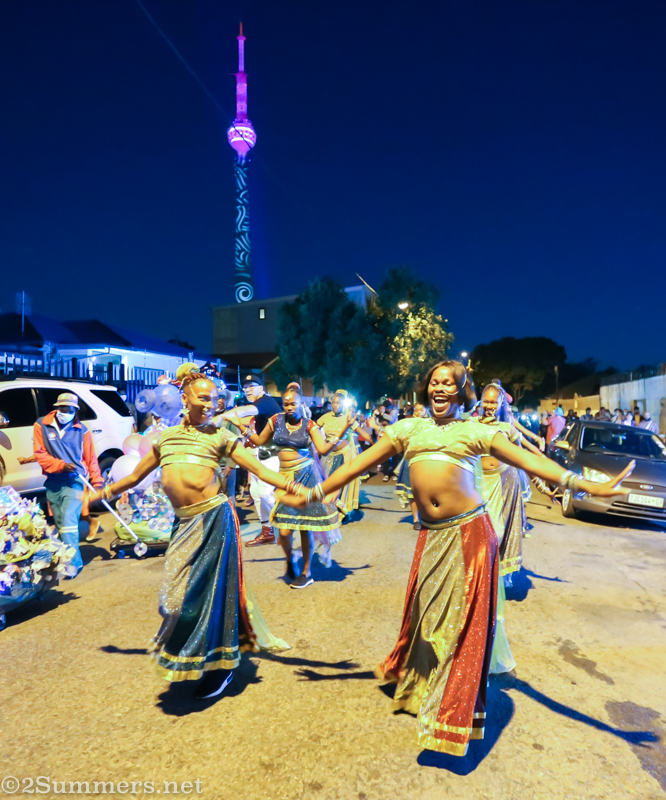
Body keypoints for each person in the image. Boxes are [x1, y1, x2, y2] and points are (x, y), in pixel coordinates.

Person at [281, 360, 633, 756]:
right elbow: (355, 467)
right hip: (432, 537)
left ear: (462, 390)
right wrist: (313, 493)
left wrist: (586, 485)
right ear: (426, 388)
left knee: (461, 623)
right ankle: (423, 682)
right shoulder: (407, 429)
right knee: (425, 617)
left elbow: (533, 462)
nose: (441, 388)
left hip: (471, 534)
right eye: (435, 381)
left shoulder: (475, 430)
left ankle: (451, 709)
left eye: (450, 383)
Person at [90, 373, 292, 698]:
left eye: (215, 399)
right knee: (172, 600)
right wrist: (103, 493)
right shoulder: (165, 438)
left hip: (215, 519)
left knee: (208, 599)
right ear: (185, 399)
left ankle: (221, 667)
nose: (211, 404)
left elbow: (261, 470)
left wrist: (300, 487)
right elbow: (136, 476)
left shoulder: (221, 437)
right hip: (183, 524)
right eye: (203, 398)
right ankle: (200, 654)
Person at [237, 386, 342, 588]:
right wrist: (242, 428)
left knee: (305, 528)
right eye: (286, 404)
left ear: (301, 404)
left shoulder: (309, 424)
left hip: (306, 475)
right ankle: (290, 559)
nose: (289, 407)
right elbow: (259, 440)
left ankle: (307, 572)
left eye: (293, 403)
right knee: (284, 532)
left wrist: (343, 430)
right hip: (285, 478)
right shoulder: (276, 420)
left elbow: (322, 450)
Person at [32, 392, 103, 577]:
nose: (67, 412)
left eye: (71, 409)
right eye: (64, 408)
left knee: (70, 519)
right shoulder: (42, 425)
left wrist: (97, 481)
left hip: (75, 480)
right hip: (54, 480)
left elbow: (90, 457)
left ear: (76, 410)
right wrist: (61, 465)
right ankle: (65, 558)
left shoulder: (82, 430)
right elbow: (40, 454)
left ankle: (73, 564)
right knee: (60, 522)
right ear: (57, 408)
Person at [219, 374, 281, 546]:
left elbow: (245, 411)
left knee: (264, 493)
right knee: (255, 492)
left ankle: (285, 523)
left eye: (252, 386)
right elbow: (246, 418)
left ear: (262, 388)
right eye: (245, 387)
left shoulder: (265, 402)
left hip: (271, 455)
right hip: (261, 453)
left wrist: (221, 417)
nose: (247, 390)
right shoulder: (260, 406)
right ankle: (267, 531)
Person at [318, 391, 372, 519]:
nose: (335, 405)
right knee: (328, 482)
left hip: (345, 454)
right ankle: (340, 508)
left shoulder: (348, 417)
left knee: (340, 484)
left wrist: (374, 442)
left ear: (343, 405)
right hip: (329, 455)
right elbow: (312, 429)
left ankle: (341, 511)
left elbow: (363, 433)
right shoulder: (325, 417)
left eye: (338, 403)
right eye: (334, 402)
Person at [395, 402, 428, 530]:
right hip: (411, 460)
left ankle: (427, 516)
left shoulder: (431, 423)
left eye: (422, 409)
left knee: (426, 492)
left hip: (426, 461)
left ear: (426, 411)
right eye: (417, 409)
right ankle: (416, 519)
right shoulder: (408, 424)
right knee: (412, 492)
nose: (419, 412)